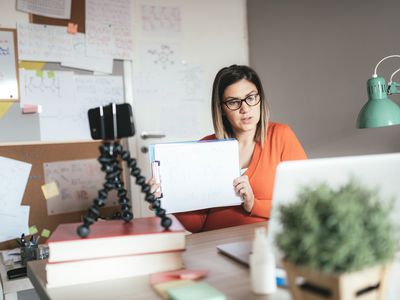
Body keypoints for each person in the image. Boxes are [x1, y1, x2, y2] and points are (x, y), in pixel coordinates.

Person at [149, 65, 307, 233]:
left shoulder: (281, 136)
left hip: (262, 243)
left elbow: (303, 203)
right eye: (233, 102)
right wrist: (167, 200)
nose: (244, 109)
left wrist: (254, 204)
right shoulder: (204, 148)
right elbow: (197, 225)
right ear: (222, 109)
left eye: (251, 98)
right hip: (213, 244)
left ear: (260, 98)